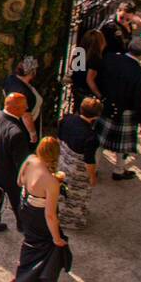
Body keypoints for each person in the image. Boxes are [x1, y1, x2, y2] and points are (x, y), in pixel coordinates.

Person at [4, 137, 71, 282]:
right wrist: (57, 239)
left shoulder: (29, 160)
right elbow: (50, 215)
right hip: (39, 216)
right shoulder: (51, 182)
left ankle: (23, 278)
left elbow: (19, 182)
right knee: (41, 250)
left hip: (25, 208)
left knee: (30, 243)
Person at [96, 35, 141, 181]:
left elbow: (99, 79)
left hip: (106, 105)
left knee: (99, 142)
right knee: (122, 145)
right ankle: (119, 170)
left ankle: (93, 169)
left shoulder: (110, 59)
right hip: (126, 111)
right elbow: (140, 101)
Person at [0, 93, 33, 231]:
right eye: (24, 106)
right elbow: (21, 161)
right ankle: (23, 226)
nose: (26, 108)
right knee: (18, 201)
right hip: (10, 174)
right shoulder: (16, 132)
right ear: (15, 108)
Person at [58, 97, 101, 229]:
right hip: (77, 168)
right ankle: (73, 222)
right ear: (96, 116)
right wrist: (92, 177)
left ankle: (59, 214)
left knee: (62, 189)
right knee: (77, 195)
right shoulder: (91, 136)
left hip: (63, 159)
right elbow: (89, 160)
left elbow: (59, 137)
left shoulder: (67, 119)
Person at [1, 57, 43, 140]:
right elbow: (26, 116)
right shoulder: (23, 92)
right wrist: (32, 133)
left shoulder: (11, 78)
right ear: (31, 72)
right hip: (22, 127)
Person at [70, 30, 105, 114]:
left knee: (78, 109)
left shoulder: (78, 51)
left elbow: (72, 66)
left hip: (76, 86)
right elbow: (89, 80)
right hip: (86, 90)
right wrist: (100, 96)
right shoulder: (95, 58)